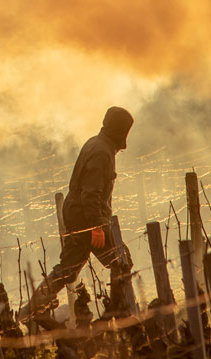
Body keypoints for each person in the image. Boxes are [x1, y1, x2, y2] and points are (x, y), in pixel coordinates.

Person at [18, 106, 134, 325]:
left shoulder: (96, 143)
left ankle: (29, 311)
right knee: (122, 261)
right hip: (87, 220)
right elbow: (91, 193)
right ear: (120, 131)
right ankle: (119, 316)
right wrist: (97, 228)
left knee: (67, 270)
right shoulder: (102, 152)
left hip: (77, 217)